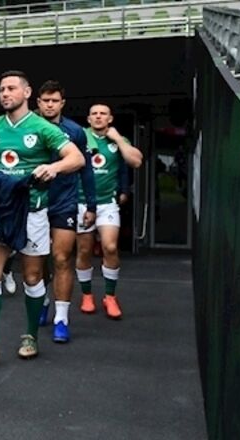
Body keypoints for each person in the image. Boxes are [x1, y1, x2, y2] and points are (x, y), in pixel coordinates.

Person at [0, 70, 84, 364]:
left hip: (33, 210)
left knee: (33, 276)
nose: (5, 94)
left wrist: (53, 168)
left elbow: (76, 158)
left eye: (11, 88)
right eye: (1, 89)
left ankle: (31, 335)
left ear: (27, 92)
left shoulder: (42, 127)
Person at [34, 80, 97, 343]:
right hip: (35, 202)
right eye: (45, 101)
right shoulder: (28, 127)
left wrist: (91, 205)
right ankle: (43, 300)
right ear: (38, 103)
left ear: (62, 103)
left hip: (65, 202)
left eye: (54, 101)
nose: (50, 105)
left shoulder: (75, 131)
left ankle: (62, 319)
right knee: (37, 261)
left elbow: (86, 168)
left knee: (61, 258)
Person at [75, 103, 143, 319]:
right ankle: (87, 295)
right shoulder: (80, 137)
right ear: (88, 119)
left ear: (110, 119)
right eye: (94, 114)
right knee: (84, 250)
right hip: (82, 202)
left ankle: (110, 296)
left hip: (107, 203)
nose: (98, 117)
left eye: (103, 114)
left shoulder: (118, 140)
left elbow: (135, 162)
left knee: (110, 247)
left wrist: (118, 139)